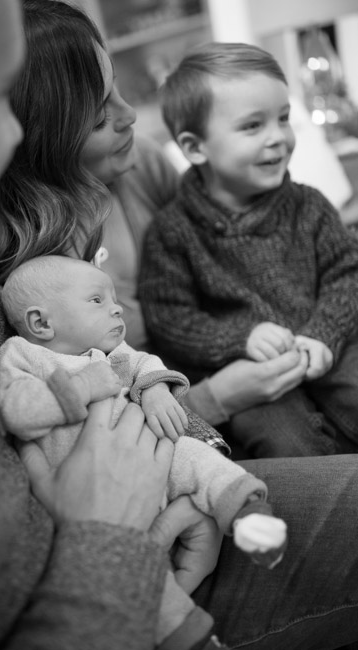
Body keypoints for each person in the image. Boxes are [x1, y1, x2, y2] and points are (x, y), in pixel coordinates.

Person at [0, 1, 358, 649]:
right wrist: (223, 380)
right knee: (281, 429)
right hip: (130, 568)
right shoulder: (3, 272)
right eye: (100, 112)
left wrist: (198, 473)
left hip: (171, 484)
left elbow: (125, 364)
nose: (129, 119)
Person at [0, 0, 310, 439]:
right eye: (98, 119)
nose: (129, 115)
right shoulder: (19, 272)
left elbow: (227, 262)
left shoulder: (142, 166)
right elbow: (88, 418)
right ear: (41, 143)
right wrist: (220, 397)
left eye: (117, 88)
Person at [0, 253, 287, 645]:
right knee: (150, 585)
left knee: (197, 459)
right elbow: (17, 411)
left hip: (154, 461)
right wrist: (83, 387)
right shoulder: (23, 355)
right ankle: (195, 639)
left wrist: (152, 389)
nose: (116, 307)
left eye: (114, 297)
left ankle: (247, 514)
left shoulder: (114, 353)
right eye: (97, 300)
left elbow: (145, 363)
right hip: (93, 496)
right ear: (41, 322)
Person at [139, 41, 358, 459]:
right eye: (253, 126)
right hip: (249, 374)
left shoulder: (309, 205)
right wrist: (241, 337)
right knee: (284, 443)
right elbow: (170, 319)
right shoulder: (172, 232)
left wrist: (325, 333)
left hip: (329, 345)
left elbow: (347, 274)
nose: (278, 138)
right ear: (194, 147)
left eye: (283, 118)